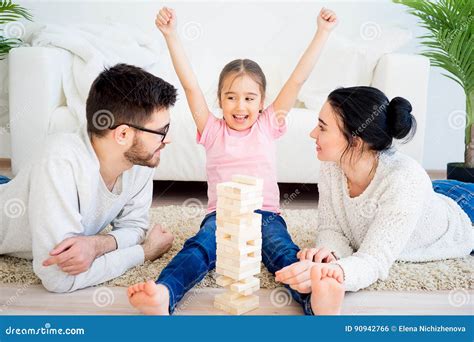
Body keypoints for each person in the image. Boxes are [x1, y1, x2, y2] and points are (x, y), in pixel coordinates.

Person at [127, 6, 338, 315]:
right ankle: (164, 293)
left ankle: (315, 300)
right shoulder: (212, 130)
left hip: (265, 215)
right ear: (220, 99)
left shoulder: (268, 124)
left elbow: (296, 81)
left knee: (282, 252)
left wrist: (322, 32)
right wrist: (171, 36)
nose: (240, 106)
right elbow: (190, 86)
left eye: (250, 98)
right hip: (221, 217)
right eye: (231, 97)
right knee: (199, 248)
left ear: (262, 102)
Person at [276, 86, 474, 314]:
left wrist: (339, 271)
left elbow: (374, 259)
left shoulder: (405, 181)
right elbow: (331, 227)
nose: (313, 133)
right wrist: (329, 254)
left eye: (322, 127)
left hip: (463, 211)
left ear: (355, 142)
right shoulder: (331, 165)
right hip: (429, 195)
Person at [0, 64, 177, 293]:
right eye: (162, 132)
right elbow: (59, 279)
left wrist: (96, 244)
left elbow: (135, 227)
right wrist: (144, 252)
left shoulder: (141, 160)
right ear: (122, 134)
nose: (168, 139)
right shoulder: (59, 161)